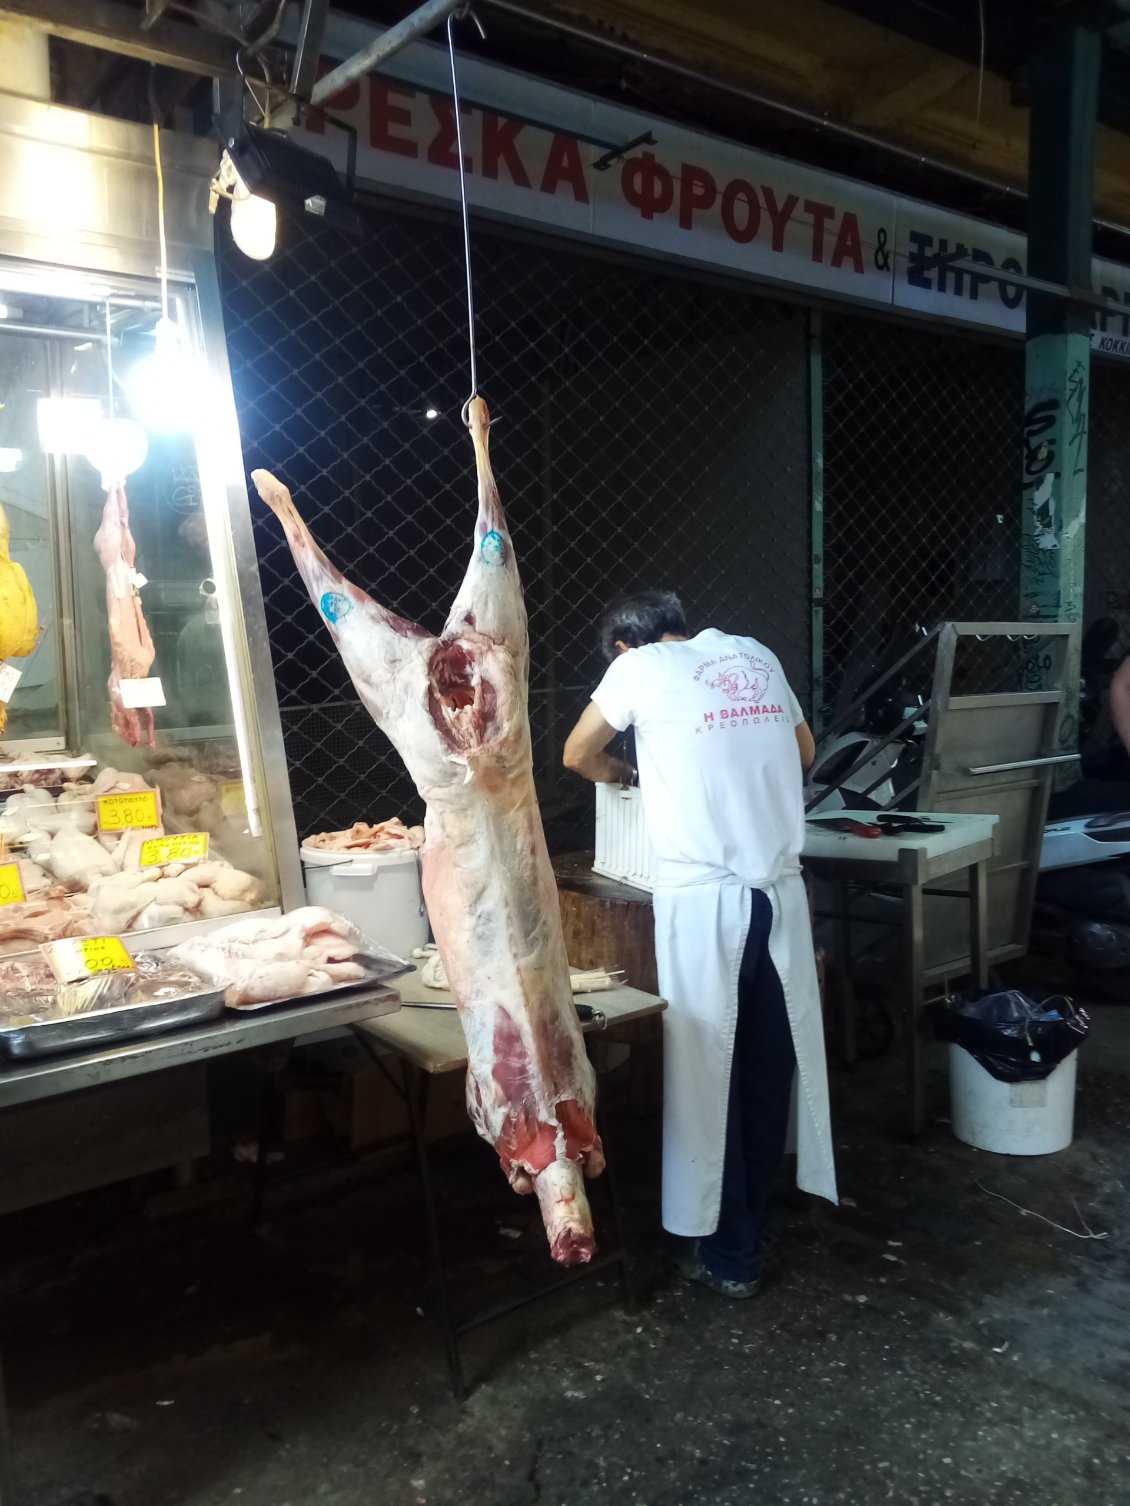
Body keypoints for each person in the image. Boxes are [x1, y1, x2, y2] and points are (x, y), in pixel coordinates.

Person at [563, 590, 837, 1298]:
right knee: (766, 1063)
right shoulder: (755, 653)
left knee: (707, 1072)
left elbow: (577, 752)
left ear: (628, 647)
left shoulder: (638, 668)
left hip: (707, 901)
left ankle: (729, 1252)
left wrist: (623, 773)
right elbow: (801, 751)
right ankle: (756, 1223)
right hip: (778, 896)